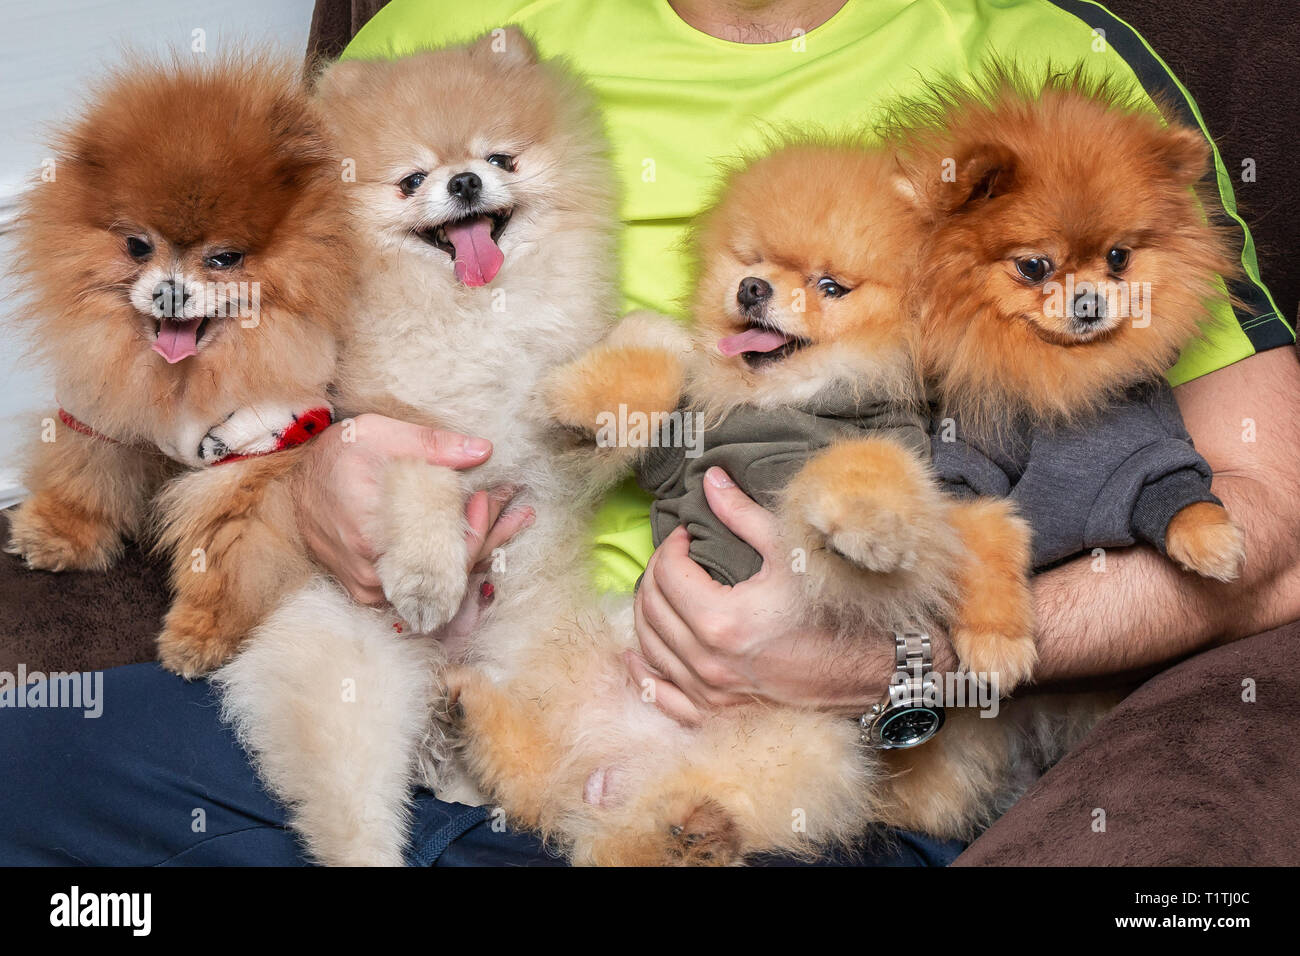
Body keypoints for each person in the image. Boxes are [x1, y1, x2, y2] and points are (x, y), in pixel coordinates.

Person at [2, 0, 1296, 867]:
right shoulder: (439, 30)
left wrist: (898, 664)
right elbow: (218, 337)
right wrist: (310, 476)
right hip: (439, 699)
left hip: (793, 768)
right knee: (30, 756)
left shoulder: (1038, 63)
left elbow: (1274, 525)